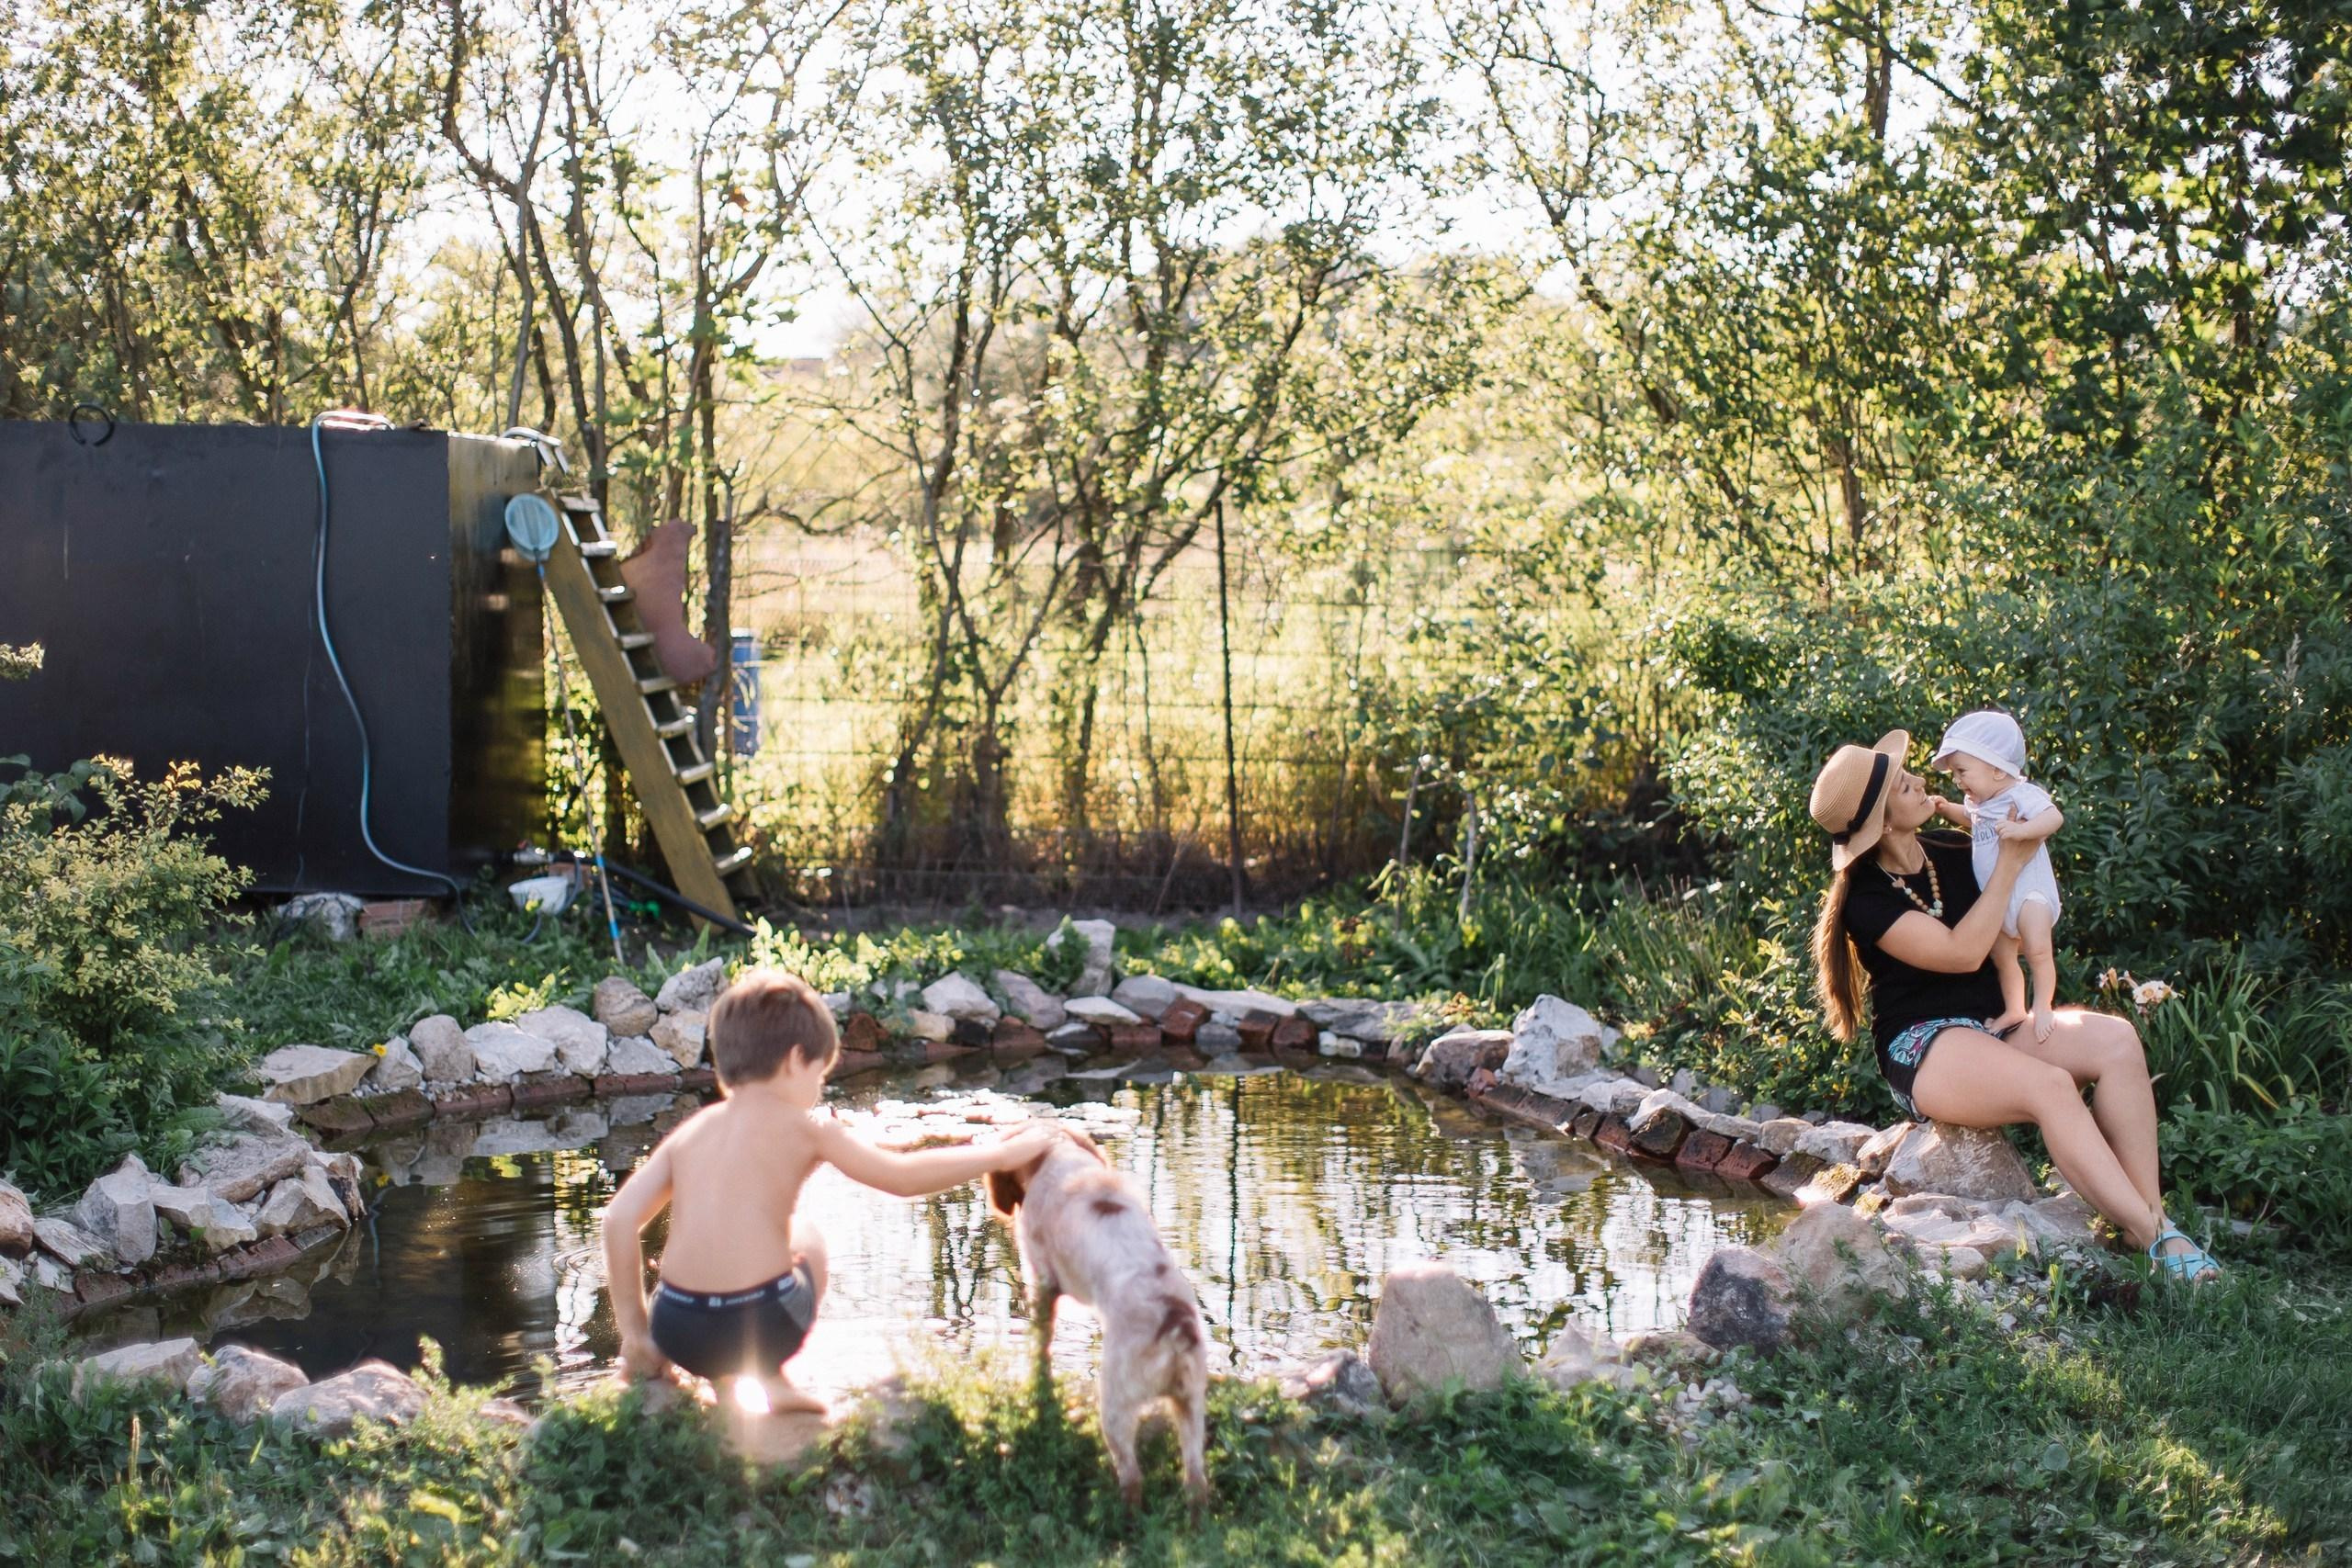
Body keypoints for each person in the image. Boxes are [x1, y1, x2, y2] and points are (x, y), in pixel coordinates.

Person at [1808, 731, 2219, 1282]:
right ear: (1884, 822)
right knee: (2050, 1086)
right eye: (1907, 784)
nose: (1923, 781)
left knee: (2116, 1040)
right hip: (1924, 1043)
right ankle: (2161, 1244)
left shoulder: (1952, 851)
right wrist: (2009, 862)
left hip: (1995, 1022)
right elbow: (1961, 953)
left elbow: (2026, 890)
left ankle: (2145, 1223)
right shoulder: (1867, 900)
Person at [601, 968, 1059, 1409]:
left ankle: (694, 1376)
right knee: (807, 1237)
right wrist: (997, 1156)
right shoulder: (810, 1129)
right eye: (819, 1076)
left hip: (680, 1332)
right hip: (763, 1324)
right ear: (797, 1059)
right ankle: (771, 1377)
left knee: (691, 1271)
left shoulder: (690, 1132)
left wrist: (637, 1333)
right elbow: (901, 1177)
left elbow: (618, 1220)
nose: (818, 1089)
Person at [1928, 709, 2065, 1042]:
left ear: (1996, 769)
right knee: (2003, 957)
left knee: (2037, 951)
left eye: (1962, 771)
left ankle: (2043, 1005)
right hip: (1998, 897)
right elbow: (1972, 820)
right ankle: (2015, 1008)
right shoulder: (1978, 803)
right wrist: (1948, 809)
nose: (1958, 781)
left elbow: (2053, 819)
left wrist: (2024, 832)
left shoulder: (2021, 795)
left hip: (2030, 894)